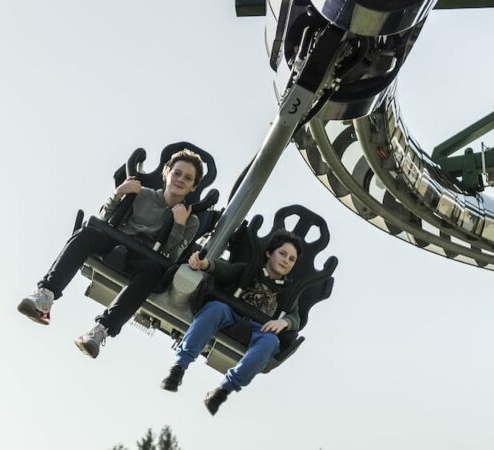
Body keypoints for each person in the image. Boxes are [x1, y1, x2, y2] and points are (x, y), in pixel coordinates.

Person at [17, 149, 204, 358]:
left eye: (188, 178)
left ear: (194, 186)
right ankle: (45, 295)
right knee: (86, 233)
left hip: (145, 258)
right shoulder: (142, 194)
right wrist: (117, 195)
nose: (180, 179)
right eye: (177, 173)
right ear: (166, 173)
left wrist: (178, 224)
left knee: (153, 271)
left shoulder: (191, 220)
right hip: (117, 241)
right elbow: (104, 218)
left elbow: (171, 257)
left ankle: (101, 330)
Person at [159, 230, 303, 416]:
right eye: (282, 254)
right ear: (269, 253)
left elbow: (295, 317)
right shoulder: (250, 269)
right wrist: (206, 264)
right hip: (232, 313)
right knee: (215, 308)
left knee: (271, 342)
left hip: (260, 327)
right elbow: (225, 269)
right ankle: (178, 368)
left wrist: (284, 322)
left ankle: (223, 390)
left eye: (292, 259)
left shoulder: (290, 290)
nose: (286, 261)